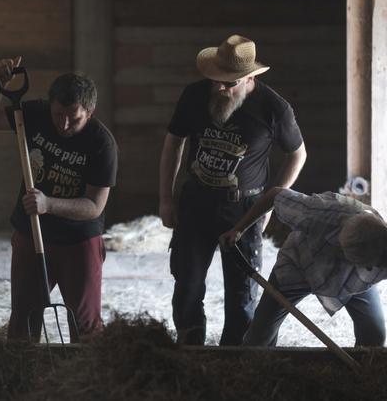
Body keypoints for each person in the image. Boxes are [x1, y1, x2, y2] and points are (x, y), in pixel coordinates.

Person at [159, 35, 307, 345]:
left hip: (243, 207)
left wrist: (270, 202)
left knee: (241, 294)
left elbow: (298, 154)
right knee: (187, 284)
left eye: (230, 83)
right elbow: (174, 141)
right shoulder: (195, 95)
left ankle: (232, 360)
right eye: (216, 80)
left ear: (250, 76)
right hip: (196, 200)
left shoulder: (274, 108)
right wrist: (166, 199)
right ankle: (190, 347)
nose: (220, 87)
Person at [0, 57, 118, 341]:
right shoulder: (35, 115)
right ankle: (24, 375)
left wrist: (49, 204)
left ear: (90, 111)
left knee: (86, 326)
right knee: (24, 322)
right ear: (50, 105)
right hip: (31, 233)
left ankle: (84, 379)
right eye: (58, 115)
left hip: (79, 241)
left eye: (73, 118)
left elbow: (94, 206)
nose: (63, 124)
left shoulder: (102, 144)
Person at [219, 187, 387, 347]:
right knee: (259, 337)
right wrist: (238, 229)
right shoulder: (318, 213)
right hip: (299, 267)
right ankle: (258, 369)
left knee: (374, 335)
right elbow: (275, 194)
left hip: (355, 282)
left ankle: (363, 372)